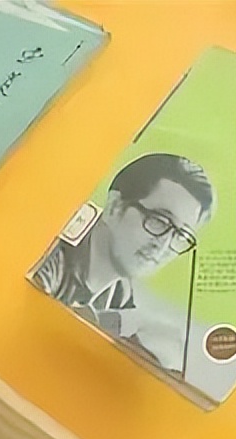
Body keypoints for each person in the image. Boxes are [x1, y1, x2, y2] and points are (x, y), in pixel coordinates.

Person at [32, 152, 215, 370]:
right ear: (114, 206)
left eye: (180, 235)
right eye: (159, 221)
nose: (163, 245)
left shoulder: (120, 295)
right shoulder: (47, 260)